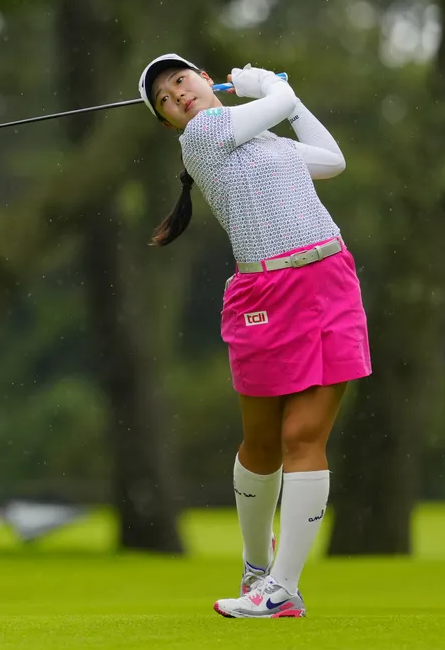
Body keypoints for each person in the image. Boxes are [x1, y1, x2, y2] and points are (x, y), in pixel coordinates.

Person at [137, 53, 371, 619]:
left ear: (203, 78)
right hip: (264, 295)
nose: (177, 96)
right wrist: (264, 84)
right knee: (261, 442)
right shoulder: (203, 136)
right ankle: (255, 566)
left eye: (180, 81)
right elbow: (278, 101)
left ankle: (282, 588)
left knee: (304, 435)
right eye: (165, 100)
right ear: (169, 124)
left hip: (328, 280)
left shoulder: (265, 143)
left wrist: (283, 98)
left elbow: (332, 160)